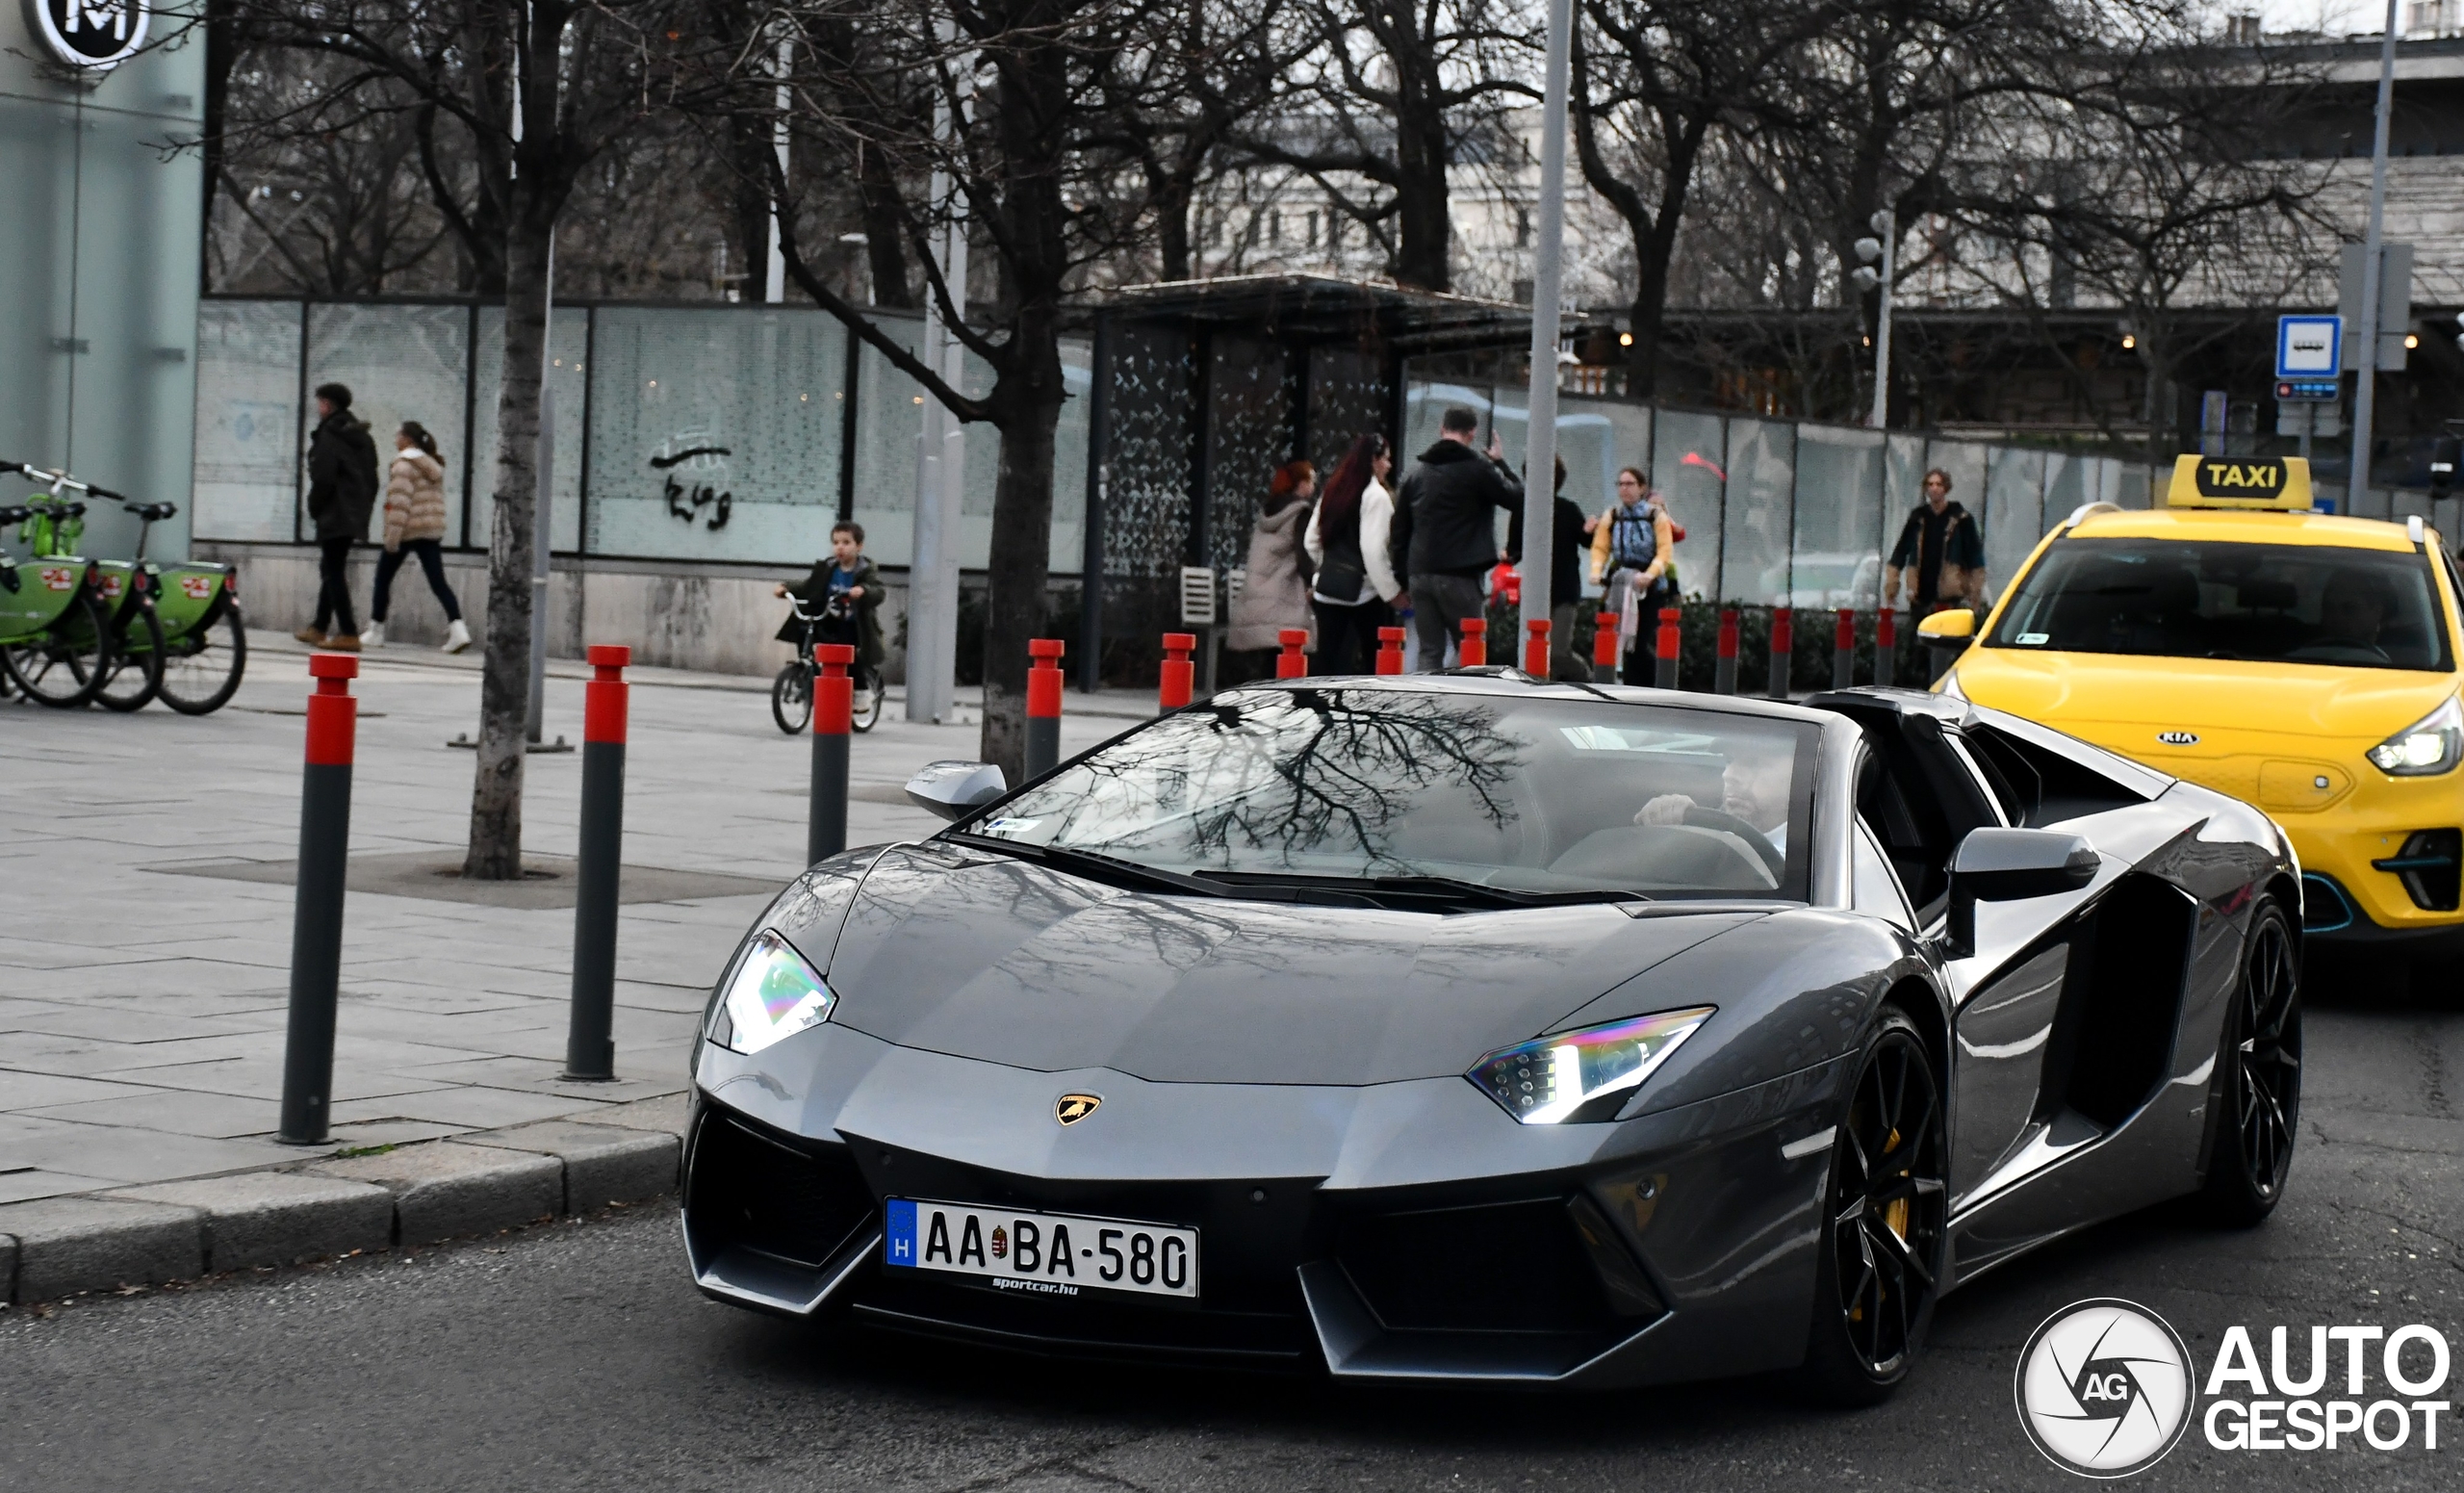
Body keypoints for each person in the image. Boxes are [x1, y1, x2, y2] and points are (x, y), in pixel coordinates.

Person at [1388, 407, 1524, 670]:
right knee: (1471, 645)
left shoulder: (1415, 473)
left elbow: (1399, 531)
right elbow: (1517, 497)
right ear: (1472, 432)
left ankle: (1428, 705)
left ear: (1442, 428)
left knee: (1430, 649)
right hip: (1461, 576)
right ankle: (1457, 701)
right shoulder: (1478, 470)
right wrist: (1500, 462)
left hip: (1420, 573)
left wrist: (1402, 578)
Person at [365, 422, 471, 654]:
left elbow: (399, 505)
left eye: (397, 435)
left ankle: (376, 630)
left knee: (383, 578)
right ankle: (458, 629)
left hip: (407, 531)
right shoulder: (430, 464)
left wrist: (392, 539)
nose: (395, 440)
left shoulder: (403, 465)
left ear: (407, 439)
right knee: (438, 582)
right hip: (430, 530)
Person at [1304, 435, 1402, 674]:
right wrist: (1392, 593)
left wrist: (1329, 568)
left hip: (1327, 591)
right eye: (1385, 460)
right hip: (1365, 592)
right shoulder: (1376, 497)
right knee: (1376, 663)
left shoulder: (1334, 489)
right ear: (1373, 460)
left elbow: (1311, 541)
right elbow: (1374, 551)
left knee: (1327, 661)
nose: (1389, 466)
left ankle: (1319, 708)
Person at [296, 382, 379, 652]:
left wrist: (315, 507)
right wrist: (362, 507)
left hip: (335, 510)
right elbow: (373, 478)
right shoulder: (360, 437)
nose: (318, 408)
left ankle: (348, 631)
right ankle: (319, 627)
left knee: (332, 569)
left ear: (328, 405)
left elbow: (323, 476)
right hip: (353, 511)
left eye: (320, 402)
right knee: (330, 567)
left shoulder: (330, 435)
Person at [775, 521, 885, 711]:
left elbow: (878, 591)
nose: (840, 547)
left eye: (846, 542)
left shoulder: (865, 569)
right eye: (836, 542)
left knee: (846, 650)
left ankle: (862, 690)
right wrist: (786, 588)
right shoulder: (828, 567)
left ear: (859, 546)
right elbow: (809, 586)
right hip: (829, 617)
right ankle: (806, 670)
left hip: (853, 623)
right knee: (803, 629)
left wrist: (863, 590)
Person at [1505, 456, 1593, 680]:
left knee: (1557, 651)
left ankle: (1590, 676)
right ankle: (1545, 693)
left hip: (1565, 591)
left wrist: (1592, 529)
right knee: (1534, 651)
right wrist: (1506, 559)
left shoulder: (1568, 510)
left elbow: (1587, 541)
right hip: (1535, 593)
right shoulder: (1523, 511)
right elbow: (1514, 550)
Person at [1635, 734, 1794, 854]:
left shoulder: (1814, 857)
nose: (1728, 775)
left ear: (1799, 774)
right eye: (1729, 760)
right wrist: (1665, 829)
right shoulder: (1704, 831)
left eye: (1753, 763)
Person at [1588, 466, 1676, 684]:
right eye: (1621, 484)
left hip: (1649, 586)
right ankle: (1628, 684)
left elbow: (1665, 550)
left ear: (1642, 488)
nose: (1624, 489)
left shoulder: (1656, 516)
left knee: (1641, 641)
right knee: (1620, 637)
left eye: (1630, 484)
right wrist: (1597, 571)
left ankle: (1655, 684)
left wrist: (1650, 574)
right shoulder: (1613, 515)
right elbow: (1601, 546)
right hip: (1621, 581)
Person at [1228, 460, 1318, 656]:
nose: (1313, 487)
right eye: (1311, 481)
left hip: (1258, 596)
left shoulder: (1267, 511)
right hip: (1284, 597)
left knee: (1268, 661)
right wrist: (1312, 582)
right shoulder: (1301, 514)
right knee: (1289, 658)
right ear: (1301, 484)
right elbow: (1304, 553)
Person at [1886, 467, 1988, 614]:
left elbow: (1975, 557)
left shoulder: (1961, 519)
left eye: (1938, 484)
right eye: (1930, 484)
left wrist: (1975, 595)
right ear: (1926, 488)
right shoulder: (1918, 518)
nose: (1934, 488)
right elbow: (1900, 553)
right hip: (1920, 594)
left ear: (1946, 487)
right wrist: (1891, 588)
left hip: (1950, 596)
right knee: (1919, 633)